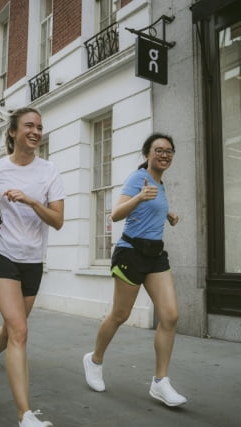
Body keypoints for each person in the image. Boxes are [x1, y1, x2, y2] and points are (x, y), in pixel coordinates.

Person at [0, 107, 65, 427]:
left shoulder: (49, 171)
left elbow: (58, 221)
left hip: (32, 260)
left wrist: (31, 202)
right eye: (29, 126)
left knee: (12, 329)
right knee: (20, 331)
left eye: (39, 126)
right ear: (12, 132)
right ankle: (25, 415)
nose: (36, 131)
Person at [83, 133, 187, 407]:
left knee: (170, 315)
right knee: (120, 314)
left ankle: (160, 382)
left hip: (155, 255)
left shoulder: (160, 184)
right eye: (159, 150)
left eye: (169, 151)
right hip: (130, 252)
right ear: (147, 154)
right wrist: (140, 197)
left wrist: (169, 213)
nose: (164, 155)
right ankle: (94, 360)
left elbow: (153, 206)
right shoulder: (136, 179)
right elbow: (116, 214)